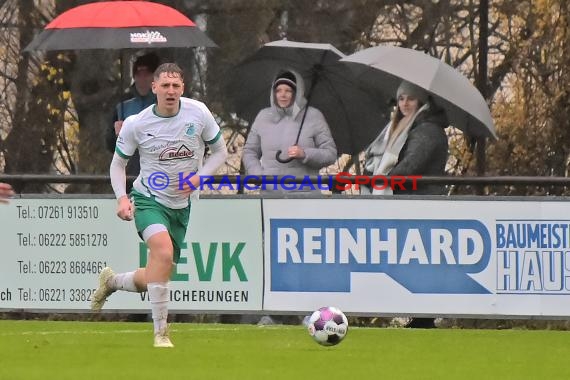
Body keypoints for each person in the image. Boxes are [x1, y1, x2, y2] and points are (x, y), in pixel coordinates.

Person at [91, 63, 228, 348]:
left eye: (176, 86)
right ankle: (161, 333)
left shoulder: (198, 113)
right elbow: (118, 165)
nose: (170, 91)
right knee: (163, 253)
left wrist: (198, 179)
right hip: (148, 199)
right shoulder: (137, 123)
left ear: (183, 88)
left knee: (156, 273)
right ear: (154, 88)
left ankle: (113, 282)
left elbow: (220, 151)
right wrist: (122, 199)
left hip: (182, 204)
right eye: (164, 85)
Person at [362, 80, 449, 328]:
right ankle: (420, 315)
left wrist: (383, 182)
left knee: (420, 260)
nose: (405, 104)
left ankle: (425, 316)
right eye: (401, 99)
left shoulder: (427, 130)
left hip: (423, 203)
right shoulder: (402, 129)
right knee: (413, 260)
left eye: (411, 98)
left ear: (421, 101)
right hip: (408, 202)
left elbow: (411, 166)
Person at [242, 70, 337, 194]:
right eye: (279, 90)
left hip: (305, 194)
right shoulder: (263, 116)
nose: (283, 95)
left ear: (297, 93)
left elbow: (330, 154)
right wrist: (258, 175)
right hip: (270, 195)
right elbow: (249, 151)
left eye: (288, 91)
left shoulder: (313, 116)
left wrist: (304, 154)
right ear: (273, 93)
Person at [105, 52, 160, 180]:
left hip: (161, 171)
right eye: (138, 74)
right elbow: (111, 145)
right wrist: (116, 135)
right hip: (131, 174)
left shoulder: (166, 102)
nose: (142, 78)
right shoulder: (122, 105)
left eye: (146, 74)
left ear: (155, 77)